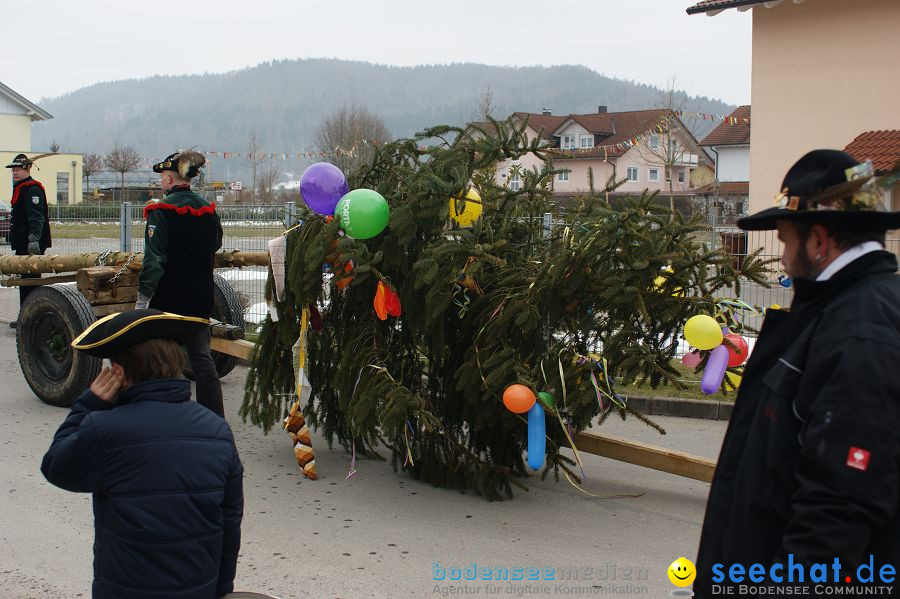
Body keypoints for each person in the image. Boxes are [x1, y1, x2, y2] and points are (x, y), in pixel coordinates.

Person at [694, 150, 900, 597]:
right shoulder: (837, 314)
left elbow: (838, 508)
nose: (784, 259)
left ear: (819, 240)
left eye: (786, 242)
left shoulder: (860, 333)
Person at [41, 309, 243, 598]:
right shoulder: (217, 431)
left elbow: (55, 466)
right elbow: (230, 522)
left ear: (119, 374)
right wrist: (221, 590)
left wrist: (89, 403)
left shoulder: (104, 430)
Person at [138, 150, 225, 416]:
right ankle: (214, 418)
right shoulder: (208, 212)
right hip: (199, 298)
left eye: (163, 176)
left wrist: (143, 296)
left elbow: (154, 260)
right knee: (202, 360)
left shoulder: (160, 211)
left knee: (165, 359)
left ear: (168, 179)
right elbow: (217, 244)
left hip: (168, 300)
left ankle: (169, 416)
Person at [6, 153, 51, 328]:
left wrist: (34, 239)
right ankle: (25, 316)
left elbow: (36, 217)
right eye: (13, 170)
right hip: (23, 245)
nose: (15, 173)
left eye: (18, 169)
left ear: (28, 169)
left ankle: (32, 318)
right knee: (25, 283)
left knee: (32, 283)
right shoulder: (22, 187)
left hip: (32, 245)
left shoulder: (32, 189)